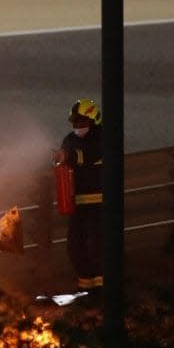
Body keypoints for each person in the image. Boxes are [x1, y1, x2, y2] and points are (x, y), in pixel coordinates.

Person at [54, 98, 103, 293]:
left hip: (102, 201)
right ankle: (86, 286)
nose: (77, 126)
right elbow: (66, 161)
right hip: (78, 202)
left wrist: (68, 157)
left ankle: (103, 288)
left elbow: (89, 154)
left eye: (81, 122)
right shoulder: (69, 139)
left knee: (100, 244)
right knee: (75, 246)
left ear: (93, 121)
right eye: (75, 123)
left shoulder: (104, 138)